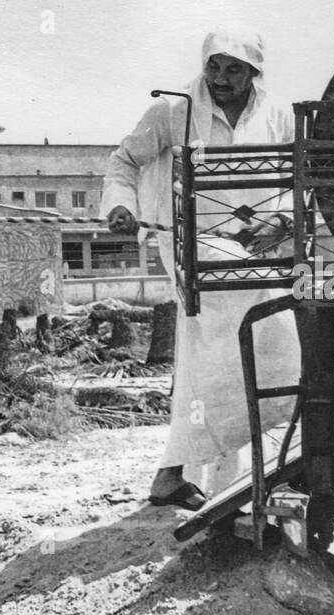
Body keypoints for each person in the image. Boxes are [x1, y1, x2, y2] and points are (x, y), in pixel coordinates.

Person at [102, 27, 302, 509]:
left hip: (264, 251)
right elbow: (123, 161)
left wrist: (284, 224)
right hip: (197, 251)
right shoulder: (173, 110)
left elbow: (300, 176)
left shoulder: (278, 114)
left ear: (254, 71)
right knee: (215, 356)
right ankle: (177, 476)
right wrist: (119, 207)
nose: (220, 78)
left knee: (282, 354)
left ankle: (249, 475)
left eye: (234, 69)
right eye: (214, 66)